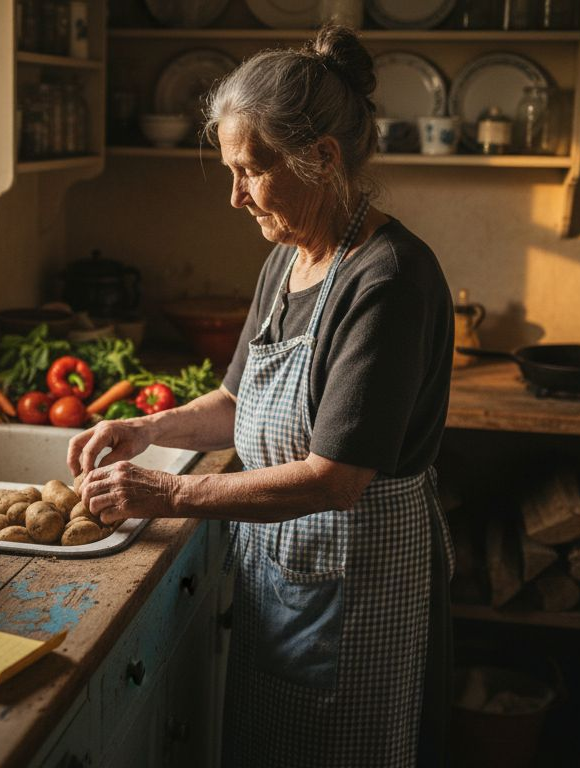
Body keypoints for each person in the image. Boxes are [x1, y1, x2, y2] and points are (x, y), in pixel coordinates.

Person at [67, 24, 455, 768]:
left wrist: (167, 496)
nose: (235, 196)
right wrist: (149, 429)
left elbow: (336, 479)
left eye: (250, 169)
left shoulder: (389, 279)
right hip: (288, 575)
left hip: (361, 582)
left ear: (323, 157)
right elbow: (234, 403)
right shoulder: (289, 257)